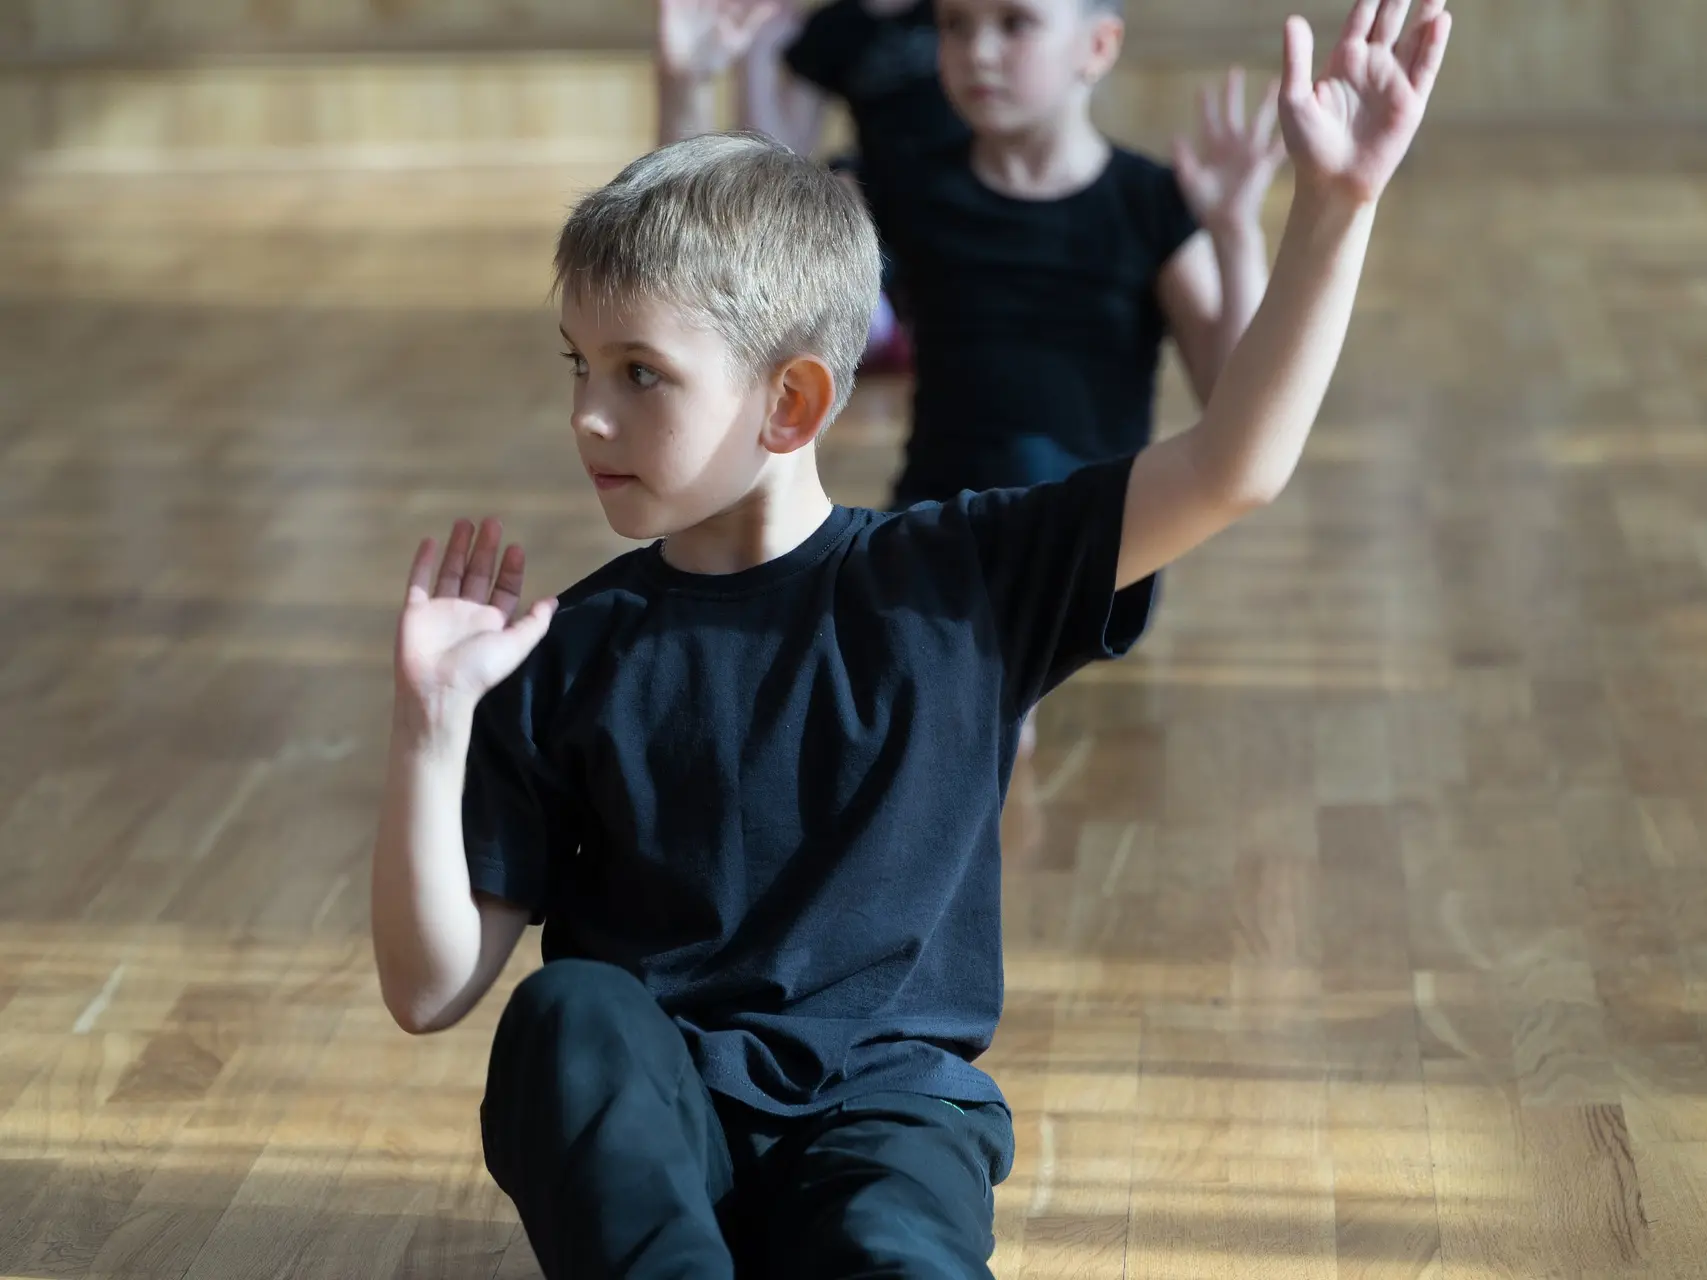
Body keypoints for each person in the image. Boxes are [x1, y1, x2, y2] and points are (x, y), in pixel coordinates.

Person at [368, 3, 1452, 1276]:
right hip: (663, 1131)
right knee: (567, 1011)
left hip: (886, 1114)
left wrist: (1334, 210)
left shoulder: (963, 576)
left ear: (795, 400)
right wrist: (428, 734)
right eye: (578, 368)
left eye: (638, 375)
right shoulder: (570, 650)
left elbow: (1236, 464)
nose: (589, 419)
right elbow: (431, 988)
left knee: (892, 1244)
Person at [688, 0, 1293, 752]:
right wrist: (705, 76)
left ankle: (977, 672)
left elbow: (1235, 402)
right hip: (940, 523)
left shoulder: (1149, 202)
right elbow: (742, 253)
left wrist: (1235, 236)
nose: (976, 51)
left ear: (1096, 47)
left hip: (1096, 539)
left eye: (1014, 24)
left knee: (1017, 492)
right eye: (954, 26)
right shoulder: (903, 184)